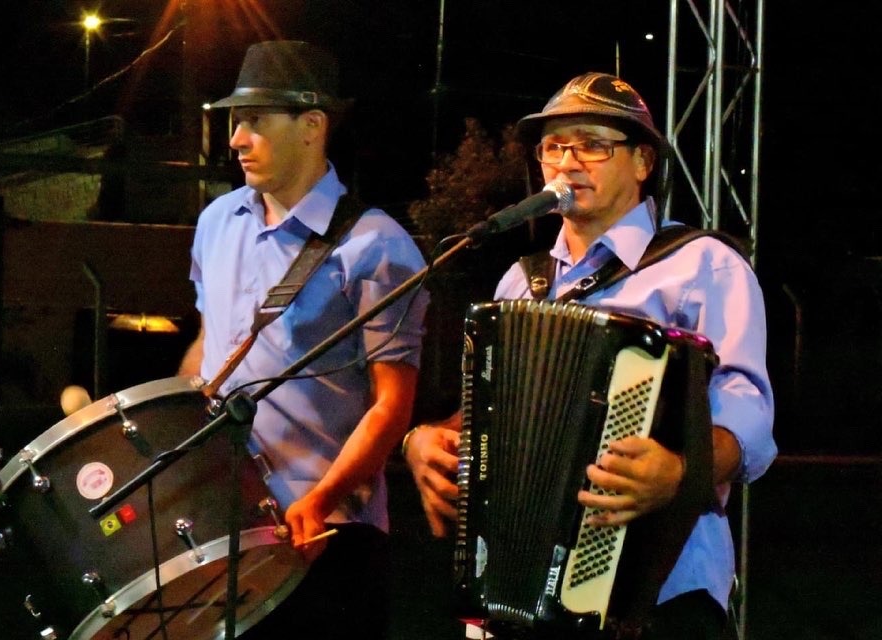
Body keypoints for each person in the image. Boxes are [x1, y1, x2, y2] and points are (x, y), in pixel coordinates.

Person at [402, 72, 776, 640]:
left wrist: (679, 472)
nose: (567, 162)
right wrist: (425, 440)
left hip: (663, 592)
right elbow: (492, 412)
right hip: (521, 595)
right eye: (553, 146)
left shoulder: (701, 265)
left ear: (643, 162)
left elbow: (747, 412)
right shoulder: (521, 283)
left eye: (592, 144)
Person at [179, 39, 429, 638]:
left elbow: (393, 405)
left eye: (255, 121)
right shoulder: (216, 222)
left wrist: (320, 499)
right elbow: (209, 348)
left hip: (329, 538)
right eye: (236, 122)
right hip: (224, 525)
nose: (237, 139)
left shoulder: (376, 245)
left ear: (313, 126)